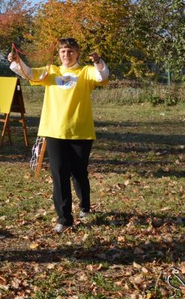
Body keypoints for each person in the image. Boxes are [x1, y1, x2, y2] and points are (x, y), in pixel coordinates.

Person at [8, 37, 110, 233]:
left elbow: (103, 76)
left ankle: (85, 207)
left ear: (77, 54)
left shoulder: (85, 72)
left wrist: (97, 61)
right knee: (59, 173)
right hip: (54, 130)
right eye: (63, 51)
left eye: (70, 51)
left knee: (79, 173)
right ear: (59, 54)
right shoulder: (51, 71)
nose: (66, 55)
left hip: (80, 131)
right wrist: (15, 61)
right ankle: (64, 218)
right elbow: (29, 73)